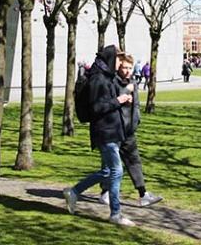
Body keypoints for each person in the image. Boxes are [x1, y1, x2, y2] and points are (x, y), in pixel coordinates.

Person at [63, 45, 136, 227]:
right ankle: (116, 213)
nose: (120, 63)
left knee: (107, 171)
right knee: (116, 171)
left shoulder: (107, 77)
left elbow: (107, 103)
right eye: (118, 59)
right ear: (111, 59)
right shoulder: (98, 79)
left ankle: (73, 191)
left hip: (112, 130)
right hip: (105, 132)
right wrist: (119, 100)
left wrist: (123, 98)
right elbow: (96, 108)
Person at [98, 53, 163, 208]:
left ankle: (143, 194)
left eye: (129, 68)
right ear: (118, 67)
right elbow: (110, 103)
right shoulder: (112, 82)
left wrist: (136, 120)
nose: (127, 71)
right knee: (110, 165)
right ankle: (104, 192)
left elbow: (136, 105)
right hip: (114, 129)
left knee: (134, 161)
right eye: (124, 68)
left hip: (128, 130)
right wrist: (124, 95)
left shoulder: (133, 82)